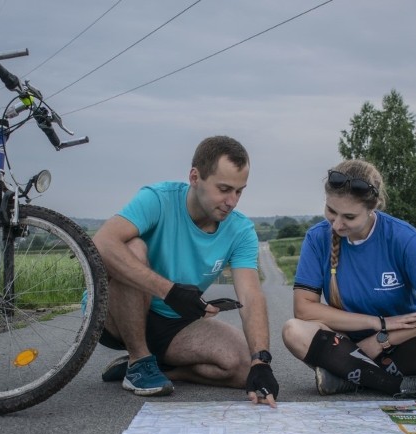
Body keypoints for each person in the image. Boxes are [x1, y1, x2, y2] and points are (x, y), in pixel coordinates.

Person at [92, 135, 279, 407]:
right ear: (195, 177)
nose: (232, 201)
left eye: (239, 191)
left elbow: (250, 296)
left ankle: (162, 369)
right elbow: (101, 244)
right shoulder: (157, 199)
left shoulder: (241, 230)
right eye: (224, 188)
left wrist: (261, 361)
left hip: (174, 324)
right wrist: (170, 292)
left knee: (242, 367)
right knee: (132, 248)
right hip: (116, 314)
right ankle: (139, 360)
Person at [281, 159, 416, 398]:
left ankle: (349, 378)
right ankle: (397, 385)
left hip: (402, 342)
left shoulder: (403, 237)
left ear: (372, 208)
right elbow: (304, 310)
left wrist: (383, 339)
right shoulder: (316, 238)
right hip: (345, 346)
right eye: (331, 211)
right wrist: (377, 323)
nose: (337, 224)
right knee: (294, 331)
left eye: (349, 217)